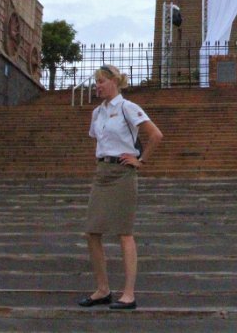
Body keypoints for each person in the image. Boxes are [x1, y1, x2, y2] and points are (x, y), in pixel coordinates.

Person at [78, 64, 163, 311]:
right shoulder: (97, 113)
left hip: (123, 173)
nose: (98, 86)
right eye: (96, 82)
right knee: (92, 232)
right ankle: (102, 289)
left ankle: (129, 294)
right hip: (102, 172)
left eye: (102, 82)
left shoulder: (128, 107)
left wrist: (141, 160)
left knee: (124, 232)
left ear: (114, 82)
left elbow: (156, 135)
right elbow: (99, 140)